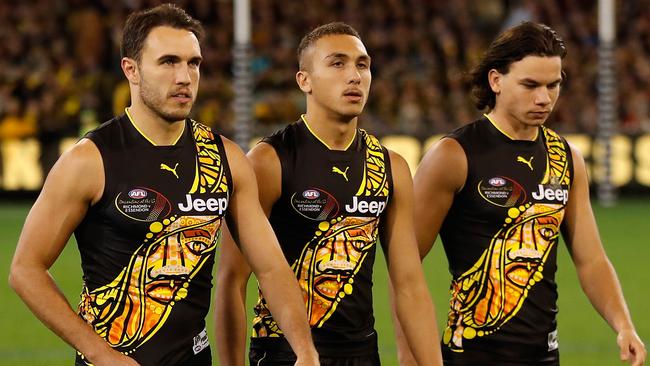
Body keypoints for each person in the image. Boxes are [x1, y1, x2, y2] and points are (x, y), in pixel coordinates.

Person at [8, 4, 319, 366]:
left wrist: (305, 350)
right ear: (132, 70)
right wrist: (102, 355)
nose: (185, 76)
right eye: (169, 62)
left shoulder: (226, 159)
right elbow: (25, 270)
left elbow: (271, 267)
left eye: (194, 63)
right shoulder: (90, 161)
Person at [409, 21, 647, 365]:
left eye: (554, 85)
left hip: (544, 357)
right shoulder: (453, 155)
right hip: (470, 356)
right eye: (530, 84)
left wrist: (624, 325)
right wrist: (409, 356)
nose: (544, 98)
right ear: (496, 81)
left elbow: (591, 260)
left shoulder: (565, 158)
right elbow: (405, 268)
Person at [215, 22, 443, 366]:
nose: (354, 76)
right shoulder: (269, 161)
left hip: (363, 355)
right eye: (337, 63)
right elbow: (233, 280)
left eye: (362, 65)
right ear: (304, 80)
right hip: (285, 355)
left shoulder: (390, 167)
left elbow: (409, 284)